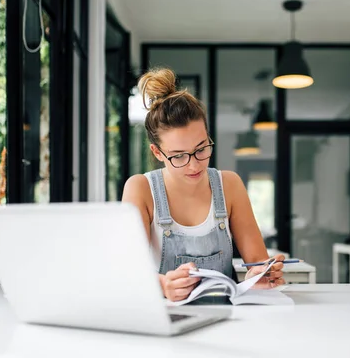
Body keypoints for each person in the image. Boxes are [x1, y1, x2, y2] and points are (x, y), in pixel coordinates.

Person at [122, 67, 285, 302]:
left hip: (229, 317)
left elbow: (257, 264)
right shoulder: (141, 188)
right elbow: (128, 270)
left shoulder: (229, 184)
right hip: (170, 318)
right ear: (157, 152)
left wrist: (260, 275)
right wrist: (163, 285)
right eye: (178, 156)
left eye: (201, 149)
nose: (194, 165)